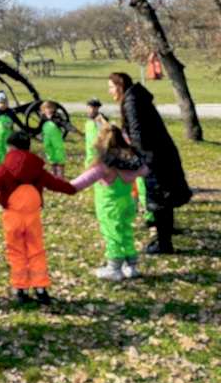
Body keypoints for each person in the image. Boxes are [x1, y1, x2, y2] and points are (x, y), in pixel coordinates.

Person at [0, 132, 76, 306]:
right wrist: (72, 188)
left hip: (12, 217)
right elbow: (56, 183)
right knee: (36, 251)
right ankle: (41, 288)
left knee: (16, 252)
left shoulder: (4, 169)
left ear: (11, 148)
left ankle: (21, 289)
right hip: (33, 216)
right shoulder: (38, 169)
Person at [108, 72, 192, 254]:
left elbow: (138, 135)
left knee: (160, 200)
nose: (110, 91)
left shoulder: (131, 102)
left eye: (111, 87)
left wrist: (135, 158)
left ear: (120, 86)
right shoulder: (135, 99)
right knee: (164, 199)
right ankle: (165, 236)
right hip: (160, 155)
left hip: (155, 158)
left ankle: (164, 244)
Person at [71, 123, 148, 280]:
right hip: (128, 203)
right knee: (126, 232)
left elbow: (82, 181)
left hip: (109, 207)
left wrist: (60, 186)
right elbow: (145, 170)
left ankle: (114, 268)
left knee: (112, 234)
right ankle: (131, 266)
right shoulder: (130, 161)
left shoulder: (104, 165)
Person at [39, 101, 67, 178]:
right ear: (43, 110)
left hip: (56, 137)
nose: (49, 110)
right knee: (49, 151)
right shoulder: (43, 118)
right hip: (47, 138)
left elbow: (64, 123)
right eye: (46, 108)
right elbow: (39, 127)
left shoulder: (57, 116)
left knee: (59, 151)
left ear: (54, 108)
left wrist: (69, 127)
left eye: (50, 108)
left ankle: (60, 173)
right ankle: (54, 172)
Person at [83, 98, 105, 167]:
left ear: (98, 108)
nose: (92, 110)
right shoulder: (88, 120)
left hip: (98, 154)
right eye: (90, 107)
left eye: (94, 108)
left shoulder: (101, 119)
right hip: (89, 155)